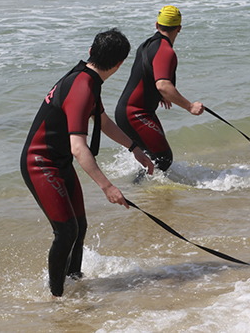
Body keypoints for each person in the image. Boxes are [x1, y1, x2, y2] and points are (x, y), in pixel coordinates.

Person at [20, 28, 154, 298]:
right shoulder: (82, 85)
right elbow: (78, 147)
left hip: (59, 163)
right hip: (41, 164)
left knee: (79, 227)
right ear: (119, 65)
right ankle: (56, 299)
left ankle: (75, 285)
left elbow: (102, 121)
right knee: (66, 231)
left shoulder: (88, 78)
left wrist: (134, 148)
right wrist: (108, 187)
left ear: (92, 51)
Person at [115, 6, 204, 171]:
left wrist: (160, 95)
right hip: (135, 114)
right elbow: (162, 85)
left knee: (153, 159)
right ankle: (145, 192)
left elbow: (146, 72)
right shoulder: (165, 50)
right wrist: (190, 106)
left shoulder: (147, 44)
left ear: (157, 25)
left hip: (128, 111)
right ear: (179, 28)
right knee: (163, 159)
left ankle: (145, 194)